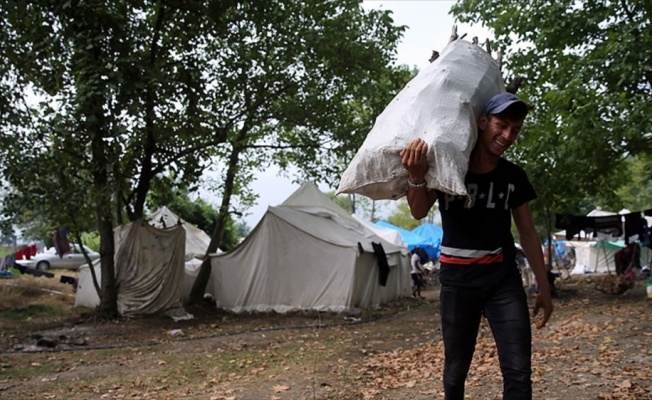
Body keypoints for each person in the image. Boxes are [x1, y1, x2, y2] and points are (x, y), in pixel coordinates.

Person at [400, 92, 553, 400]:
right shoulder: (449, 165)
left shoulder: (513, 176)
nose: (508, 135)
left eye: (515, 130)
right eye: (502, 125)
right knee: (455, 372)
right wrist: (416, 176)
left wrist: (544, 285)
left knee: (519, 373)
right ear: (483, 122)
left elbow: (527, 233)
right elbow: (417, 211)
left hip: (503, 282)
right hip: (458, 285)